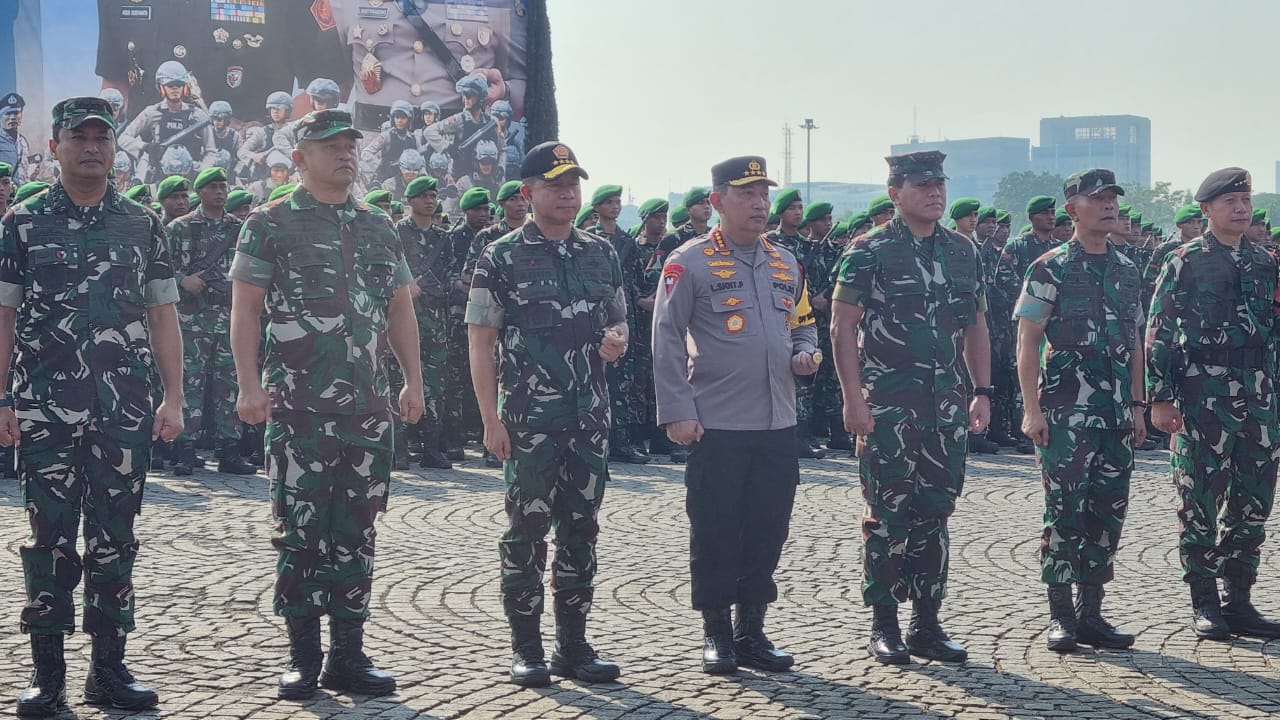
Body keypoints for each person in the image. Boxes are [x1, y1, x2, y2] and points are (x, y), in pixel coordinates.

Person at [229, 109, 424, 699]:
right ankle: (303, 658)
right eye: (329, 145)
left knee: (357, 530)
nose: (344, 154)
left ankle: (349, 656)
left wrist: (412, 380)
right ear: (300, 156)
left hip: (366, 408)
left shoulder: (379, 226)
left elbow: (399, 310)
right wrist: (246, 384)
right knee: (299, 531)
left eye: (349, 145)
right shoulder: (268, 223)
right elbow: (245, 310)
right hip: (297, 408)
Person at [0, 96, 183, 715]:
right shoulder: (23, 223)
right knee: (48, 537)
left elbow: (162, 313)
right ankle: (46, 676)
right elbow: (2, 316)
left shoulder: (141, 223)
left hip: (123, 410)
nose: (91, 148)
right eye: (78, 137)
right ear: (54, 146)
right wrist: (2, 397)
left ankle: (109, 668)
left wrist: (175, 395)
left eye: (101, 137)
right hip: (47, 408)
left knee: (116, 537)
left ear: (113, 146)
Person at [466, 141, 625, 687]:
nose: (568, 192)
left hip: (589, 419)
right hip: (529, 422)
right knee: (526, 533)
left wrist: (617, 339)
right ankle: (527, 647)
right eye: (556, 184)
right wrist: (490, 420)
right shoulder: (501, 255)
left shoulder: (600, 252)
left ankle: (574, 647)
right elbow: (480, 342)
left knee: (581, 530)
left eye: (573, 183)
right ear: (528, 192)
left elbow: (618, 320)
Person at [652, 155, 818, 675]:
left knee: (769, 527)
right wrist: (678, 410)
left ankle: (753, 631)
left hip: (777, 422)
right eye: (747, 194)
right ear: (718, 201)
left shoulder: (786, 261)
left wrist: (805, 353)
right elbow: (666, 336)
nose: (760, 204)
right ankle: (717, 633)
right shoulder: (691, 260)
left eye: (764, 194)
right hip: (717, 423)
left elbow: (804, 324)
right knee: (717, 527)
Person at [831, 150, 991, 665]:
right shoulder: (869, 251)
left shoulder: (963, 251)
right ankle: (884, 624)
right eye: (922, 185)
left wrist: (981, 391)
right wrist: (855, 400)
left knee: (935, 513)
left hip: (945, 407)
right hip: (888, 407)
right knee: (886, 515)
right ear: (895, 192)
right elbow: (842, 328)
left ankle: (927, 623)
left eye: (939, 184)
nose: (935, 193)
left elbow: (976, 326)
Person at [1147, 167, 1280, 642]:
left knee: (1253, 500)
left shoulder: (1267, 263)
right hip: (1203, 391)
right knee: (1198, 498)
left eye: (1244, 200)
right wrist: (1160, 397)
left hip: (1259, 394)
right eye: (1230, 202)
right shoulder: (1184, 261)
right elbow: (1159, 329)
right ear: (1207, 210)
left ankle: (1239, 600)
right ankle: (1204, 601)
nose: (1241, 208)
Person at [1013, 169, 1144, 653]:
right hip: (1065, 413)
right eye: (1098, 198)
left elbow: (1133, 340)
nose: (1109, 206)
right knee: (1064, 513)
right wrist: (1032, 410)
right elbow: (1026, 342)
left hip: (1114, 415)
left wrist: (1137, 403)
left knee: (1108, 513)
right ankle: (1061, 617)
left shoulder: (1128, 269)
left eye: (1112, 197)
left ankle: (1093, 614)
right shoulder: (1049, 267)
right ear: (1072, 209)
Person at [95, 0, 345, 121]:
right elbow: (117, 84)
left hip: (248, 179)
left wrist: (273, 136)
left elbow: (329, 87)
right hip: (151, 172)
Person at [166, 166, 257, 477]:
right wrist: (183, 280)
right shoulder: (180, 228)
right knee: (189, 383)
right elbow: (159, 269)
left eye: (223, 186)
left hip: (229, 318)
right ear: (200, 192)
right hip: (192, 319)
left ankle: (229, 449)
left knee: (228, 385)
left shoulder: (240, 228)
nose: (220, 192)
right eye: (213, 187)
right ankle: (185, 449)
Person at [328, 0, 526, 128]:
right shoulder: (341, 3)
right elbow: (335, 85)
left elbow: (526, 84)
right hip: (373, 149)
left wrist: (505, 91)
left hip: (464, 148)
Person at [398, 175, 454, 470]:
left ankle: (431, 448)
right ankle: (401, 448)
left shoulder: (443, 239)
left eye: (433, 196)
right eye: (424, 196)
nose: (430, 201)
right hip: (403, 320)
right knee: (400, 379)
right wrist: (405, 288)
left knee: (435, 384)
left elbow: (454, 277)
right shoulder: (397, 234)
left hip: (435, 321)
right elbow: (384, 272)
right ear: (410, 201)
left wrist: (436, 289)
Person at [117, 61, 218, 181]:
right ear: (161, 86)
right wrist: (146, 147)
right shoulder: (151, 112)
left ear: (185, 87)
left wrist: (201, 173)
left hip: (191, 178)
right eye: (170, 85)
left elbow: (211, 151)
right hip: (160, 177)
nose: (175, 89)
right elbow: (123, 138)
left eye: (178, 85)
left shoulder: (198, 115)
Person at [237, 91, 295, 184]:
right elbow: (242, 152)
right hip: (266, 178)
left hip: (291, 175)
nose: (276, 111)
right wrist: (254, 156)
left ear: (287, 111)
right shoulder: (263, 132)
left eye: (279, 108)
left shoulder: (295, 130)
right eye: (273, 108)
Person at [0, 93, 33, 184]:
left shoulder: (23, 142)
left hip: (20, 194)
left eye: (16, 113)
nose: (13, 117)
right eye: (8, 113)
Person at [764, 187, 803, 253]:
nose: (798, 212)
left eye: (800, 208)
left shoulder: (808, 244)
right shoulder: (768, 241)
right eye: (791, 208)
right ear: (780, 213)